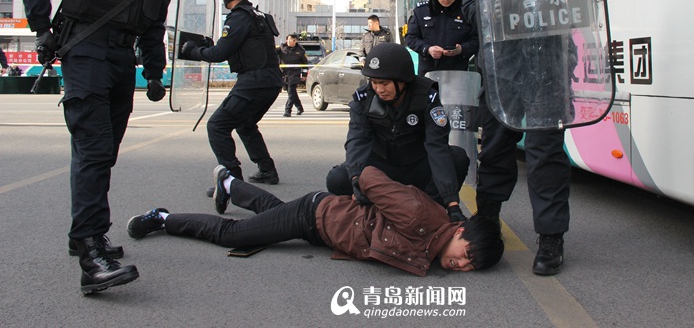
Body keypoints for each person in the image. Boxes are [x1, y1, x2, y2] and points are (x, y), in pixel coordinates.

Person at [18, 0, 187, 294]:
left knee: (103, 151)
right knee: (94, 150)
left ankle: (84, 236)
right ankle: (93, 255)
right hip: (85, 52)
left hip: (119, 60)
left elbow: (153, 24)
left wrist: (152, 72)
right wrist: (43, 30)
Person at [463, 0, 580, 276]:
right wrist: (495, 12)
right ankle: (488, 217)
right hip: (503, 69)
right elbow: (469, 5)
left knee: (546, 154)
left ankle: (551, 238)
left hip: (548, 66)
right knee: (494, 149)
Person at [127, 165, 504, 276]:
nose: (462, 264)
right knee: (235, 235)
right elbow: (371, 176)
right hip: (316, 216)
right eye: (467, 253)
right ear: (460, 229)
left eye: (471, 265)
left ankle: (228, 182)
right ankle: (162, 217)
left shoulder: (434, 240)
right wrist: (360, 199)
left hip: (323, 230)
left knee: (271, 209)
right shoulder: (422, 216)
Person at [325, 42, 470, 222]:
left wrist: (452, 203)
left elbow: (437, 147)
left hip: (416, 168)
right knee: (337, 178)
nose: (378, 89)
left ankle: (430, 210)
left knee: (457, 157)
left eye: (384, 83)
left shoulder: (426, 98)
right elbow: (357, 140)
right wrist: (356, 179)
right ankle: (372, 210)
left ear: (402, 80)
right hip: (382, 170)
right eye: (374, 82)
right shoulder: (364, 100)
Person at [181, 0, 283, 188]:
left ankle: (232, 182)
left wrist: (193, 51)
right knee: (245, 124)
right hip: (270, 81)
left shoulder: (239, 17)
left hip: (254, 82)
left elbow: (219, 53)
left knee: (217, 125)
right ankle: (267, 170)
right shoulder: (258, 15)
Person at [405, 0, 479, 75]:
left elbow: (476, 40)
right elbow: (410, 38)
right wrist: (428, 49)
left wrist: (462, 49)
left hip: (458, 75)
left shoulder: (466, 12)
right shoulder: (422, 11)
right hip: (428, 76)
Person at [278, 32, 308, 117]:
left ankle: (288, 110)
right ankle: (300, 107)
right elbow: (273, 54)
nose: (291, 41)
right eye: (289, 39)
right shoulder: (282, 48)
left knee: (291, 92)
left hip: (295, 73)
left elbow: (305, 63)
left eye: (293, 40)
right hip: (284, 73)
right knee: (291, 92)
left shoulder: (300, 50)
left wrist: (304, 74)